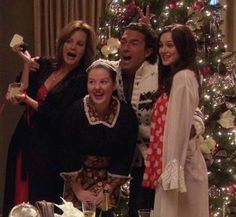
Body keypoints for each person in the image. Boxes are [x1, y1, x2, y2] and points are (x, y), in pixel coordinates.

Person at [3, 20, 96, 216]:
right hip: (23, 141)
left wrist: (28, 100)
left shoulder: (81, 80)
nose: (73, 47)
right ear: (62, 43)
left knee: (42, 201)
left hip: (49, 150)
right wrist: (27, 66)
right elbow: (21, 90)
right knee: (17, 198)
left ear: (85, 50)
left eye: (80, 44)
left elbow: (59, 116)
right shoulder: (45, 64)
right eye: (70, 41)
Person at [142, 24, 209, 217]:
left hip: (180, 169)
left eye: (170, 45)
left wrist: (172, 170)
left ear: (183, 46)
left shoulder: (183, 77)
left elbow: (179, 129)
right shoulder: (174, 78)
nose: (164, 50)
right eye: (161, 45)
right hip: (172, 166)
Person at [60, 59, 138, 216]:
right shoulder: (75, 112)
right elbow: (66, 151)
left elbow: (125, 155)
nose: (97, 88)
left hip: (111, 183)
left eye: (103, 82)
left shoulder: (125, 115)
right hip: (78, 181)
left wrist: (107, 190)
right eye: (92, 82)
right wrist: (79, 191)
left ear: (114, 84)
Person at [114, 22, 158, 217]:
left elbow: (192, 112)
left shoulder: (160, 75)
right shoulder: (112, 73)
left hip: (154, 161)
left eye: (133, 43)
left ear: (147, 51)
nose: (125, 47)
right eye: (123, 41)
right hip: (124, 160)